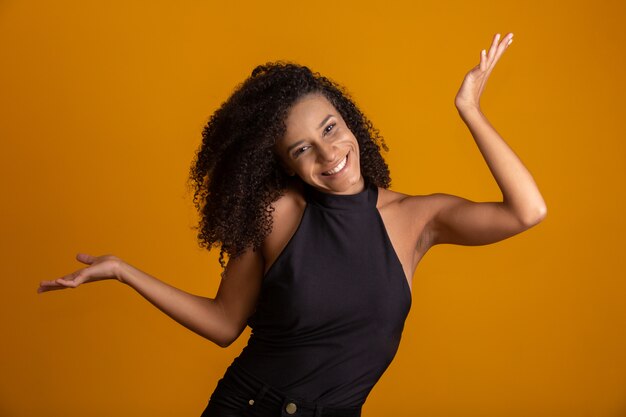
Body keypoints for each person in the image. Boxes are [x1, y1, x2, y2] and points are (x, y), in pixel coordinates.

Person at [38, 32, 546, 416]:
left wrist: (470, 110)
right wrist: (125, 271)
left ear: (350, 122)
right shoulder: (277, 214)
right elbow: (223, 324)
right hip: (251, 406)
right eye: (303, 149)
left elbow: (527, 211)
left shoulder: (417, 219)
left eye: (331, 129)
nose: (330, 155)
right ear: (284, 165)